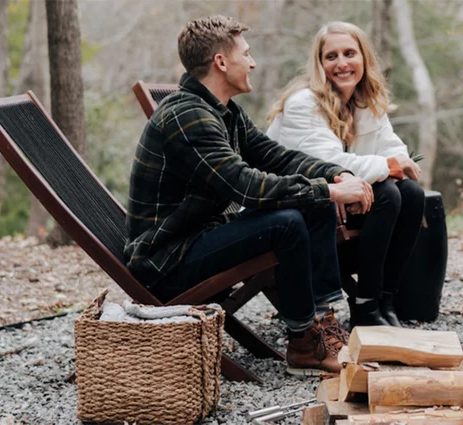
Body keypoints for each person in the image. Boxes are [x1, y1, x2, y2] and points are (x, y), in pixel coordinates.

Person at [124, 15, 374, 374]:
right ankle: (305, 341)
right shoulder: (187, 116)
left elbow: (276, 156)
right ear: (221, 62)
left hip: (200, 236)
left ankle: (321, 328)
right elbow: (247, 186)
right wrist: (330, 190)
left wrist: (335, 174)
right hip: (167, 261)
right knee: (288, 221)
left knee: (313, 205)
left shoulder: (223, 111)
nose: (253, 62)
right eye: (246, 53)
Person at [264, 22, 425, 328]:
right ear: (319, 64)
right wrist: (390, 166)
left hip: (338, 198)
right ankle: (365, 306)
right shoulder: (304, 103)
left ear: (364, 58)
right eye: (331, 56)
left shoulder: (363, 100)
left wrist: (397, 162)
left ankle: (384, 299)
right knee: (387, 194)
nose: (341, 63)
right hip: (298, 204)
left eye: (349, 53)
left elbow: (391, 146)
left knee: (413, 194)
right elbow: (328, 161)